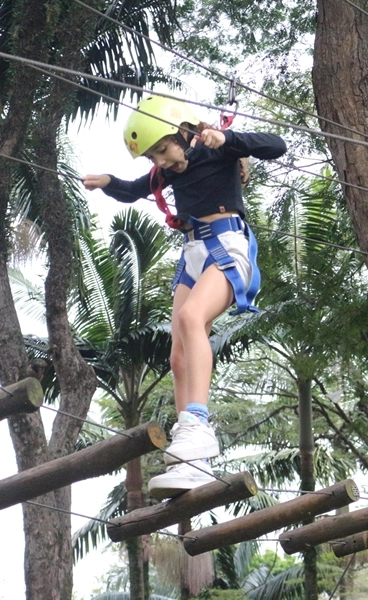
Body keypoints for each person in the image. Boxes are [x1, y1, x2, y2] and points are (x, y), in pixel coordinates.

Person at [82, 95, 287, 499]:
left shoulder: (218, 150)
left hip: (227, 245)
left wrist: (226, 138)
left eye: (162, 149)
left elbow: (276, 146)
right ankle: (192, 457)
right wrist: (107, 182)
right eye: (152, 156)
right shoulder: (167, 175)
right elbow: (133, 189)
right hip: (192, 254)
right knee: (177, 351)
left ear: (183, 132)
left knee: (193, 318)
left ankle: (197, 423)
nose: (159, 161)